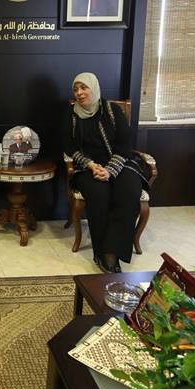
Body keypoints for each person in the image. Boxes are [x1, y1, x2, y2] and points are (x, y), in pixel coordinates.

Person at [63, 73, 149, 273]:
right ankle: (102, 253)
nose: (79, 93)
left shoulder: (112, 110)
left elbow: (125, 144)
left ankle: (113, 251)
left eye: (83, 88)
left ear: (94, 88)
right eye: (76, 89)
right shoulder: (71, 115)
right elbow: (69, 147)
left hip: (119, 164)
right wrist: (91, 165)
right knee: (98, 193)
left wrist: (110, 170)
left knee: (129, 191)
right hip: (87, 168)